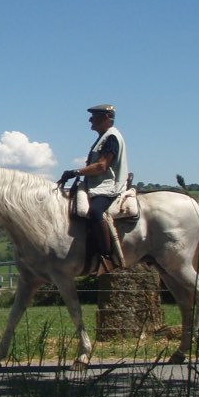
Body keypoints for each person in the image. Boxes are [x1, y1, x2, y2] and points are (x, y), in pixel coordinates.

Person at [58, 104, 129, 272]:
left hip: (108, 187)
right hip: (95, 185)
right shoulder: (103, 137)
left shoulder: (111, 137)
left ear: (106, 118)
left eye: (94, 116)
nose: (90, 119)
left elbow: (101, 166)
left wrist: (76, 172)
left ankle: (107, 255)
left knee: (96, 212)